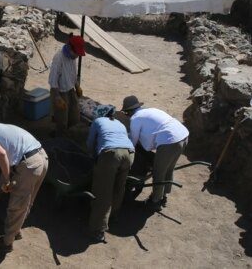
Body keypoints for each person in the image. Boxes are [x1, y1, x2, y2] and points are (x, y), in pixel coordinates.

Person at [0, 114, 48, 252]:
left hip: (29, 165)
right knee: (26, 202)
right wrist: (0, 188)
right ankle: (15, 231)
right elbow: (8, 162)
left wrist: (6, 180)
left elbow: (1, 154)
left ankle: (7, 243)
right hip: (41, 158)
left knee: (16, 206)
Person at [122, 95, 189, 211]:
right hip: (183, 135)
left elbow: (133, 142)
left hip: (170, 141)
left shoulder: (135, 118)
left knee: (159, 172)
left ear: (128, 112)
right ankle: (164, 196)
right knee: (168, 168)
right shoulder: (151, 110)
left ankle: (155, 202)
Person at [86, 105, 135, 242]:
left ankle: (98, 229)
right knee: (119, 187)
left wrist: (92, 156)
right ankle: (113, 216)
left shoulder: (98, 122)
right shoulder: (119, 123)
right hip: (129, 154)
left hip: (111, 154)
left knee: (103, 191)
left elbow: (90, 143)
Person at [48, 34, 86, 135]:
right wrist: (57, 97)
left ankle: (70, 134)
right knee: (62, 119)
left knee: (75, 115)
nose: (77, 56)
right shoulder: (58, 58)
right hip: (59, 91)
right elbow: (53, 80)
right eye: (76, 53)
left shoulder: (72, 57)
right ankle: (60, 138)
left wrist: (77, 85)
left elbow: (73, 73)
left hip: (70, 89)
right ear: (69, 47)